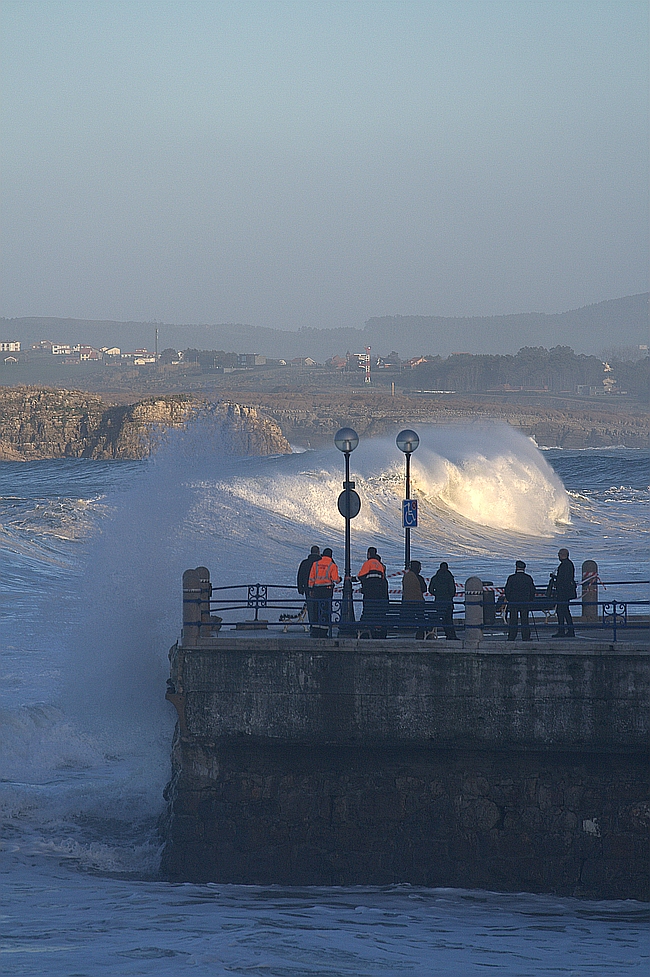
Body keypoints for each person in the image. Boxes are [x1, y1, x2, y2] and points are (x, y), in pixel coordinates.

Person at [308, 547, 340, 636]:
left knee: (316, 610)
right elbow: (335, 579)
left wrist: (311, 589)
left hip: (317, 590)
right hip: (327, 590)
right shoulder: (332, 565)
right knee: (326, 610)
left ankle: (315, 631)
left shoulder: (315, 564)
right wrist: (339, 579)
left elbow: (311, 578)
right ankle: (324, 631)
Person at [358, 547, 388, 638]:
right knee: (376, 612)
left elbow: (361, 576)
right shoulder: (379, 565)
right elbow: (381, 580)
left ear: (368, 554)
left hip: (369, 594)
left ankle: (365, 632)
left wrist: (351, 580)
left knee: (367, 612)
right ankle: (377, 632)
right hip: (379, 595)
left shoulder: (368, 563)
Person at [504, 560, 536, 641]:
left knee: (513, 620)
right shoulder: (528, 578)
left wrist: (509, 599)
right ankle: (526, 637)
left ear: (516, 567)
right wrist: (530, 599)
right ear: (524, 568)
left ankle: (511, 636)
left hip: (513, 601)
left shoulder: (511, 578)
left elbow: (507, 590)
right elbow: (532, 590)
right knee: (525, 620)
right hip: (524, 601)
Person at [428, 561, 458, 640]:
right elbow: (452, 591)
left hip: (438, 602)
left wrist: (437, 594)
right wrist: (449, 595)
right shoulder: (449, 577)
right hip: (448, 602)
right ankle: (451, 635)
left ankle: (446, 633)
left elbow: (430, 589)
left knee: (443, 619)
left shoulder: (435, 577)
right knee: (449, 619)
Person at [552, 548, 576, 638]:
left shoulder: (564, 565)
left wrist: (556, 581)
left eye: (559, 554)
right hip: (566, 592)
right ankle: (569, 630)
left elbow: (563, 579)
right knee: (565, 611)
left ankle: (563, 630)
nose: (558, 556)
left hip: (563, 592)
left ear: (563, 555)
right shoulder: (568, 564)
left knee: (562, 611)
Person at [401, 559, 427, 637]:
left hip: (407, 604)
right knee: (421, 618)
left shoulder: (405, 577)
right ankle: (421, 633)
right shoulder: (419, 578)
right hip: (418, 603)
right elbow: (424, 589)